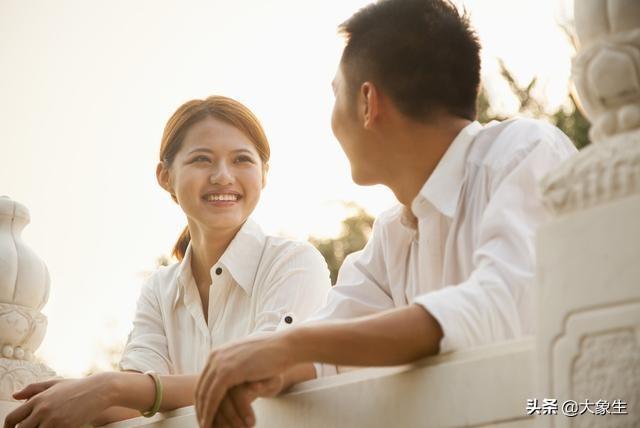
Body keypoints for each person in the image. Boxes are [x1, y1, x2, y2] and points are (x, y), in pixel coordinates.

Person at [193, 1, 578, 427]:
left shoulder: (525, 152)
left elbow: (496, 305)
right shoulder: (394, 231)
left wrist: (288, 346)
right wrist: (259, 372)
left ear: (367, 102)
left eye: (335, 93)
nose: (331, 120)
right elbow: (328, 352)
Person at [4, 96, 331, 428]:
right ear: (165, 176)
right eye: (202, 159)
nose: (222, 176)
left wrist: (110, 387)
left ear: (264, 175)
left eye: (242, 160)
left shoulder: (294, 264)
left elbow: (260, 374)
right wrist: (66, 394)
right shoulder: (160, 289)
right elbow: (133, 402)